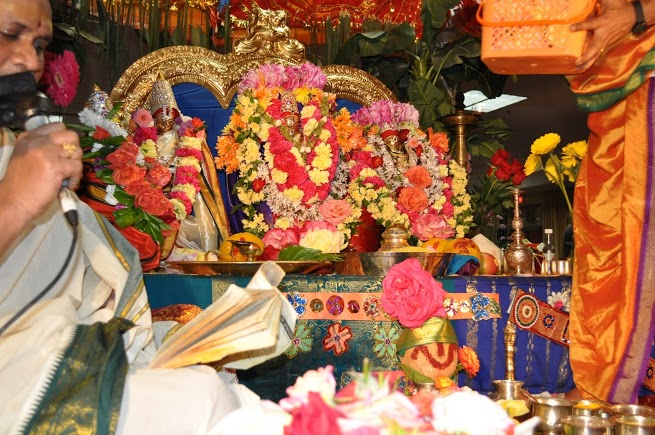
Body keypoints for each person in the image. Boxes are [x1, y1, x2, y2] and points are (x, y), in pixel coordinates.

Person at [0, 0, 258, 433]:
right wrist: (17, 202)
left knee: (221, 389)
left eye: (40, 45)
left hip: (55, 346)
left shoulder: (15, 147)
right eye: (10, 34)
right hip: (20, 372)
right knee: (201, 400)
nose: (30, 61)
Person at [566, 0, 655, 403]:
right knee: (602, 230)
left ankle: (609, 391)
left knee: (639, 236)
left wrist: (636, 15)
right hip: (616, 84)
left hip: (645, 72)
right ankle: (599, 385)